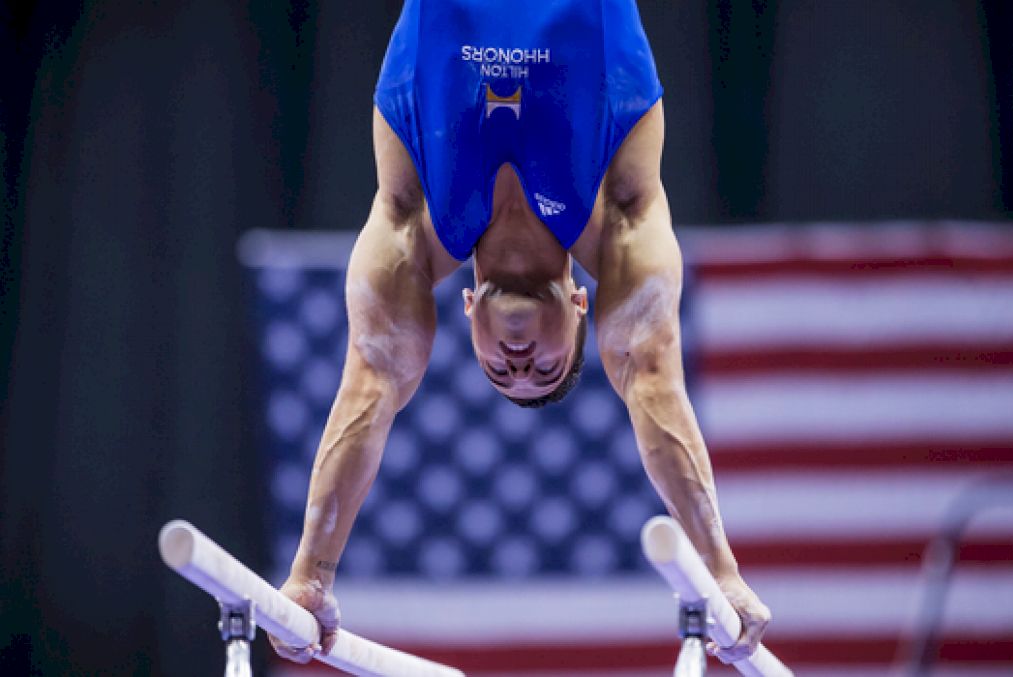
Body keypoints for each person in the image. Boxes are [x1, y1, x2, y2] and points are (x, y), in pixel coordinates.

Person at [269, 0, 772, 666]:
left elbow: (370, 384)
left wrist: (311, 573)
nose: (520, 360)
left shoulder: (413, 227)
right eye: (545, 367)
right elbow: (651, 378)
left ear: (468, 307)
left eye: (502, 372)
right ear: (584, 306)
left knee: (379, 362)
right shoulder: (622, 221)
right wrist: (722, 570)